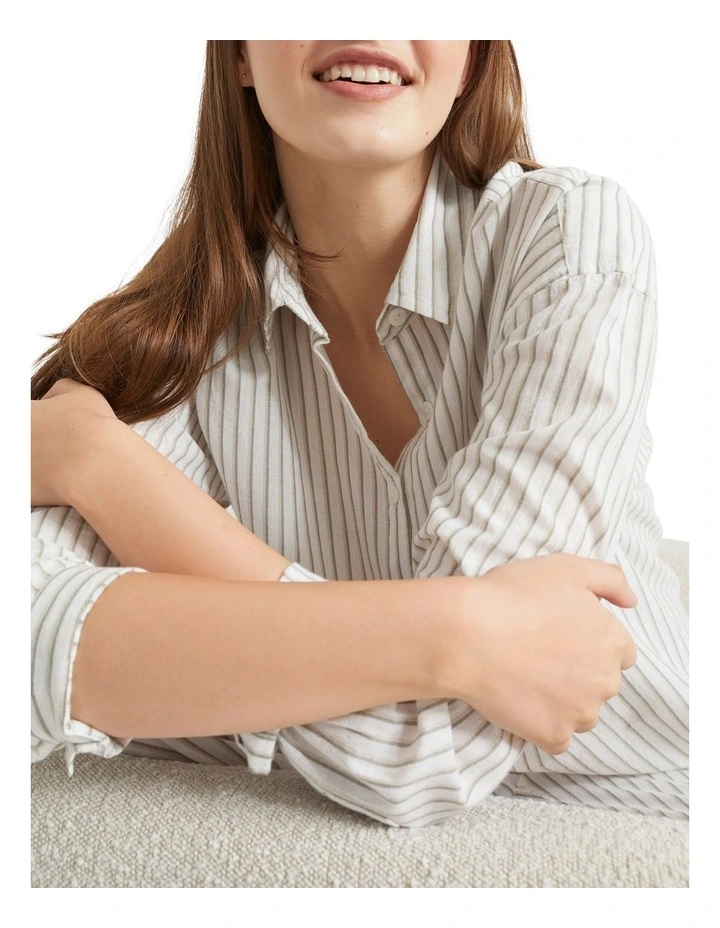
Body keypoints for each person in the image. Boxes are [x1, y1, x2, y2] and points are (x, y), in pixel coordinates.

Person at [31, 40, 688, 828]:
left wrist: (103, 468)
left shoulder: (571, 235)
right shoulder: (176, 333)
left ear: (472, 59)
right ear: (239, 53)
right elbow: (26, 632)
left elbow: (427, 754)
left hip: (655, 828)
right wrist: (468, 633)